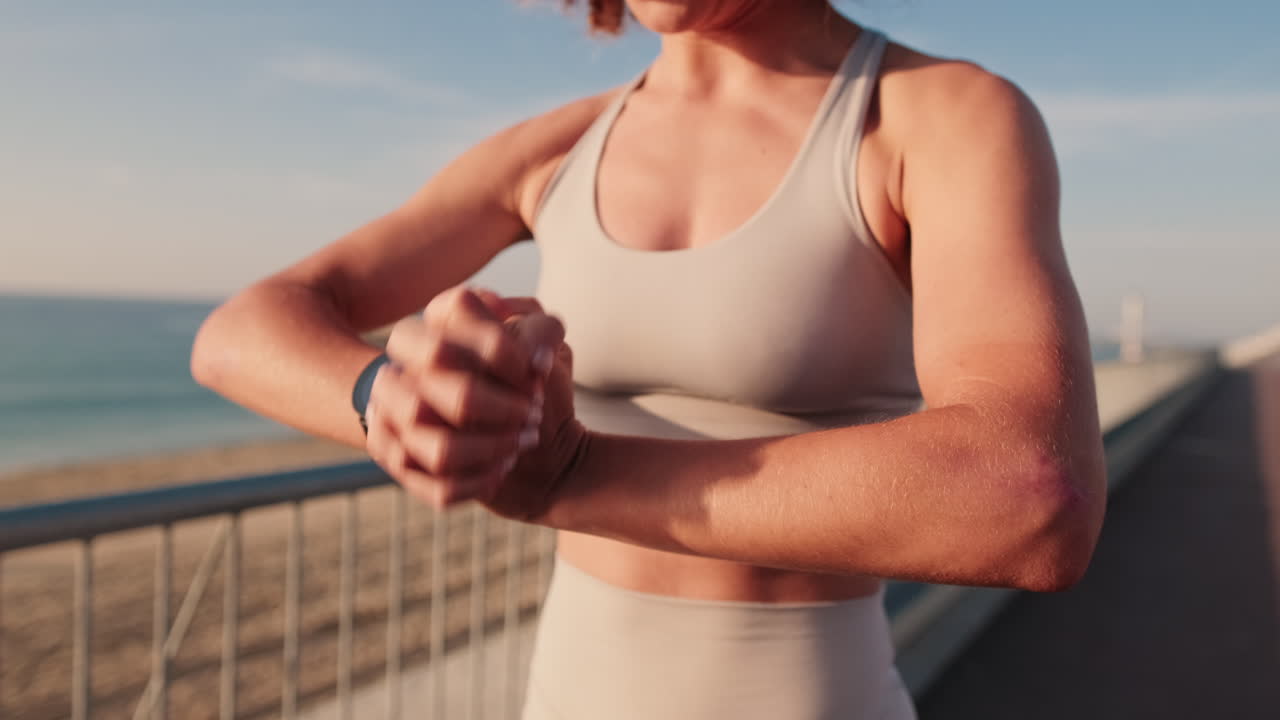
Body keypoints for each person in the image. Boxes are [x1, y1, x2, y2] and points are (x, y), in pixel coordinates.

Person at [191, 1, 1107, 717]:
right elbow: (240, 331)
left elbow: (1027, 494)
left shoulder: (934, 115)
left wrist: (570, 475)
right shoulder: (556, 148)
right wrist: (386, 395)